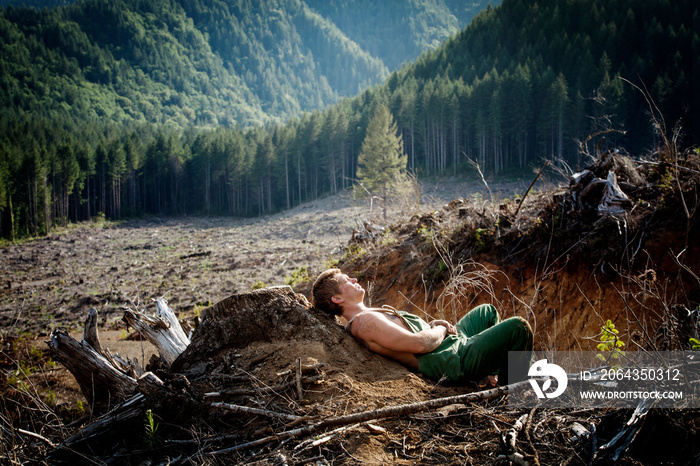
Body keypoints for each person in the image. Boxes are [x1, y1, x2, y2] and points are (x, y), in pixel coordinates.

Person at [311, 268, 533, 385]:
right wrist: (442, 329)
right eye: (347, 281)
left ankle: (489, 375)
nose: (354, 280)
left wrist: (434, 324)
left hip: (450, 345)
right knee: (518, 328)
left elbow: (420, 334)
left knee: (487, 311)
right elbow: (419, 344)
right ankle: (509, 391)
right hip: (451, 360)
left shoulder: (369, 314)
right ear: (337, 299)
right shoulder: (364, 322)